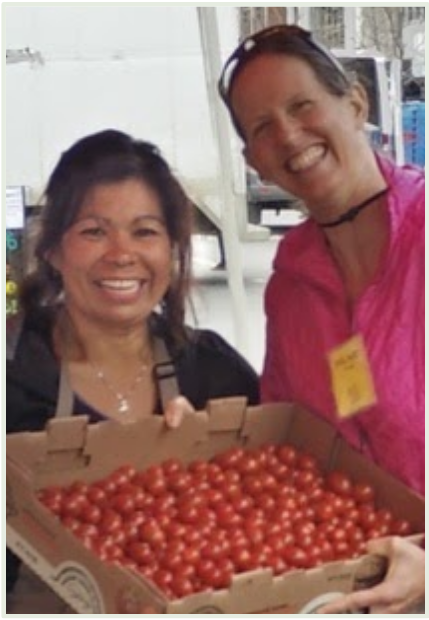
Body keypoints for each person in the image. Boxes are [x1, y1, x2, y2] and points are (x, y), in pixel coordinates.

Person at [6, 129, 259, 612]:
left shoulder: (214, 373)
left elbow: (270, 521)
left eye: (145, 231)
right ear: (55, 250)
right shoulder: (14, 379)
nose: (122, 253)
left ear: (171, 250)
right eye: (94, 231)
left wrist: (206, 463)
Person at [218, 25, 424, 614]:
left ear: (355, 102)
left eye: (302, 105)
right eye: (261, 128)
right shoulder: (290, 286)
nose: (287, 134)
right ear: (254, 160)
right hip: (337, 590)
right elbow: (291, 445)